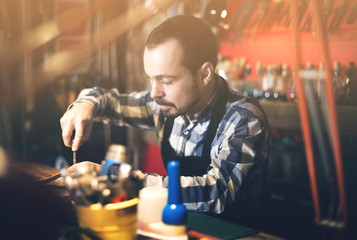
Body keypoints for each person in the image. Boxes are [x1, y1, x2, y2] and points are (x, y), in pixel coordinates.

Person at [60, 15, 270, 227]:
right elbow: (110, 102)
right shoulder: (165, 103)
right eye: (151, 79)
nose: (154, 93)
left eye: (166, 80)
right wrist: (84, 105)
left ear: (205, 74)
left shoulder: (243, 118)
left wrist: (124, 179)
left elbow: (215, 193)